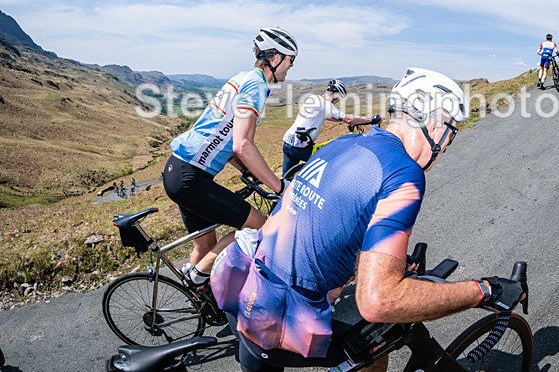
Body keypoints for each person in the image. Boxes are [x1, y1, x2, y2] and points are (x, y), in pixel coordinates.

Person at [210, 68, 525, 372]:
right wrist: (485, 290)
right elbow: (379, 300)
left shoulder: (342, 144)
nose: (445, 147)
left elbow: (321, 224)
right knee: (380, 340)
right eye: (451, 135)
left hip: (244, 292)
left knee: (373, 340)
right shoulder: (403, 173)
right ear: (435, 123)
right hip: (278, 322)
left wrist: (380, 263)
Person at [163, 27, 298, 287]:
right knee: (258, 228)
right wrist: (280, 187)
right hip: (191, 177)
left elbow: (223, 139)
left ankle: (197, 300)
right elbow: (242, 144)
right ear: (276, 57)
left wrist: (247, 172)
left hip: (178, 170)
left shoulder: (243, 77)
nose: (289, 68)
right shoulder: (257, 84)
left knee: (206, 246)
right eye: (290, 62)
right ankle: (194, 280)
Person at [281, 79, 376, 179]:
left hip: (288, 142)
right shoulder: (325, 104)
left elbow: (326, 116)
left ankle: (282, 191)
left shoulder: (313, 98)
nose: (337, 102)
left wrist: (341, 120)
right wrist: (371, 120)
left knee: (286, 177)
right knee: (327, 165)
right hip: (301, 147)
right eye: (338, 99)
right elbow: (348, 119)